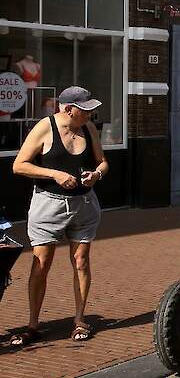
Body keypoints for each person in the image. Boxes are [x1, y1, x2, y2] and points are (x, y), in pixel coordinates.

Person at [11, 87, 109, 345]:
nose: (91, 113)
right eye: (85, 109)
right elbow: (19, 164)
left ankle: (79, 320)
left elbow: (102, 161)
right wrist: (54, 174)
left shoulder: (89, 129)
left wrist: (96, 175)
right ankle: (33, 324)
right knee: (41, 263)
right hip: (49, 204)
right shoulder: (46, 127)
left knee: (81, 260)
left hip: (84, 204)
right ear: (68, 109)